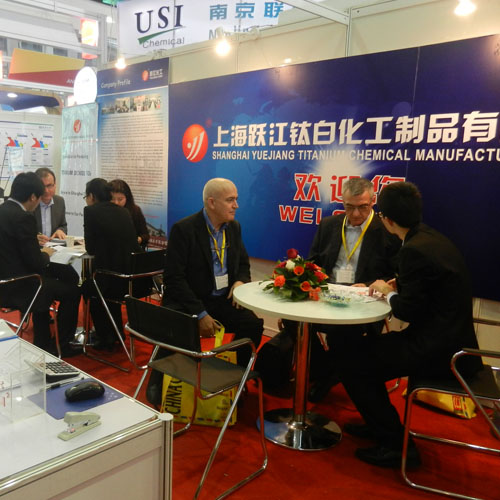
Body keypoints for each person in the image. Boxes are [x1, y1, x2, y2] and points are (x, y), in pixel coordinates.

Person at [336, 181, 482, 468]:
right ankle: (378, 424)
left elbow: (407, 311)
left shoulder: (413, 250)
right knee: (357, 353)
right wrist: (400, 284)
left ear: (387, 219)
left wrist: (387, 291)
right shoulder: (429, 238)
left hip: (439, 351)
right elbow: (429, 288)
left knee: (353, 364)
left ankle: (394, 445)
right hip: (449, 339)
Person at [146, 178, 264, 405]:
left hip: (221, 299)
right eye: (230, 200)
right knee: (177, 327)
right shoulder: (184, 229)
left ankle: (234, 379)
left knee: (252, 326)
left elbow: (243, 264)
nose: (236, 205)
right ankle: (157, 380)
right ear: (212, 202)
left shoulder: (234, 228)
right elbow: (174, 278)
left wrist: (240, 282)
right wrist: (200, 314)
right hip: (189, 299)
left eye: (236, 199)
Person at [280, 177, 400, 401]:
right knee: (291, 319)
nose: (355, 214)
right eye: (349, 207)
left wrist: (370, 285)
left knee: (342, 334)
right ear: (342, 202)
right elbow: (314, 262)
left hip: (363, 302)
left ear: (373, 202)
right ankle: (326, 370)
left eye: (362, 207)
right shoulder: (329, 225)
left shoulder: (387, 231)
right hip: (327, 295)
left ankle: (325, 375)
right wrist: (311, 278)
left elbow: (395, 275)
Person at [0, 172, 81, 356]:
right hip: (23, 284)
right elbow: (36, 262)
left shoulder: (3, 210)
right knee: (73, 291)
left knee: (61, 278)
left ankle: (42, 339)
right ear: (32, 197)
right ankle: (62, 345)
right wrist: (46, 254)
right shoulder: (24, 217)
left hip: (6, 281)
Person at [83, 178, 143, 351]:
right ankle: (116, 333)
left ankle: (104, 336)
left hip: (111, 280)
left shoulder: (91, 211)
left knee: (89, 288)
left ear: (92, 196)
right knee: (105, 285)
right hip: (133, 280)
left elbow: (90, 248)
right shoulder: (123, 211)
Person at [109, 179, 150, 249]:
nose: (116, 203)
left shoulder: (135, 210)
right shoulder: (104, 211)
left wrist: (137, 240)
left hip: (130, 250)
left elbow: (145, 235)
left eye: (120, 199)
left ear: (127, 198)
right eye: (112, 199)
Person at [34, 167, 68, 245]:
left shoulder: (59, 201)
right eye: (42, 186)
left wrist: (60, 230)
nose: (46, 190)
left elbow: (63, 225)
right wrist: (33, 238)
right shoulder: (30, 203)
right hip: (35, 248)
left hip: (55, 248)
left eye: (49, 186)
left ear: (55, 185)